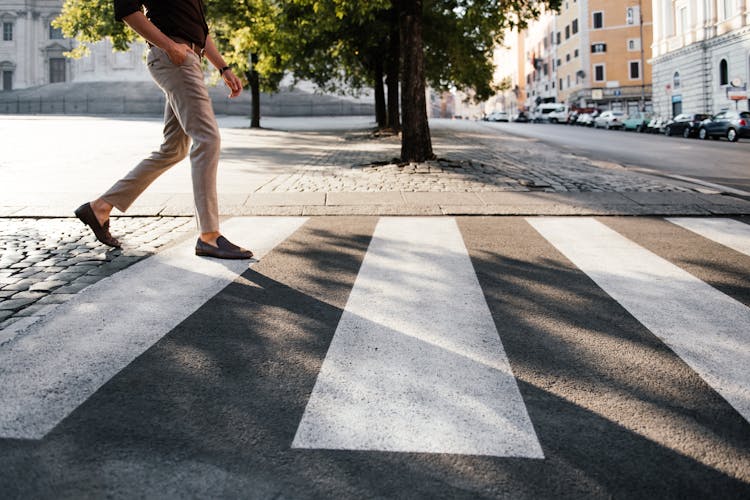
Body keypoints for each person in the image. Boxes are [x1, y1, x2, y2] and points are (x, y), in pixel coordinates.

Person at [74, 0, 253, 259]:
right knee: (208, 139)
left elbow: (199, 29)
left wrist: (223, 67)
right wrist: (170, 47)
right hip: (175, 58)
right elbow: (127, 9)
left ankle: (100, 207)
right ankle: (209, 236)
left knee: (173, 149)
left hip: (186, 57)